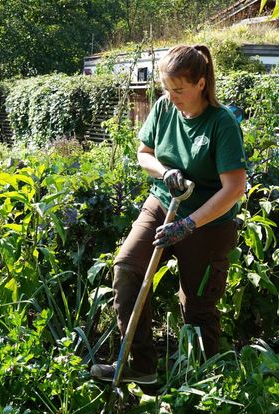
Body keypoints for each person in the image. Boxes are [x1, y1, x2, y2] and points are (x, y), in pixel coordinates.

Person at [90, 44, 247, 385]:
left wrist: (189, 224)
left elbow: (234, 188)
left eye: (179, 89)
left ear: (201, 84)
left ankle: (203, 385)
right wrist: (165, 172)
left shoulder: (221, 124)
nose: (171, 96)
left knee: (196, 307)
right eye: (166, 88)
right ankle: (140, 365)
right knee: (128, 268)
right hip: (162, 204)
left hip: (208, 222)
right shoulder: (163, 109)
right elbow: (143, 154)